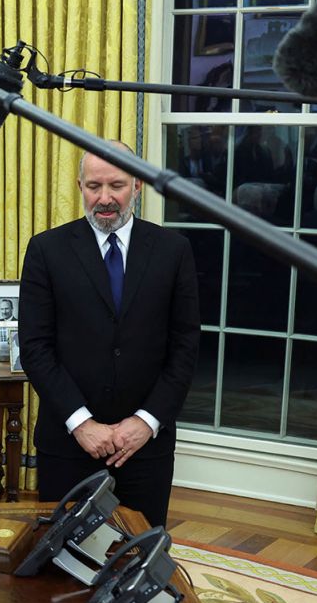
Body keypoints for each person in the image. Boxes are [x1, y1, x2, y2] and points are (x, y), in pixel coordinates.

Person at [19, 143, 199, 527]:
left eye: (116, 185)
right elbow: (36, 349)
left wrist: (147, 422)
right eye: (94, 186)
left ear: (137, 186)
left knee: (141, 556)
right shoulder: (45, 250)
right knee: (63, 559)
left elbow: (185, 347)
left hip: (145, 447)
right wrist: (81, 423)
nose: (104, 198)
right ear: (80, 186)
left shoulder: (174, 250)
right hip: (68, 443)